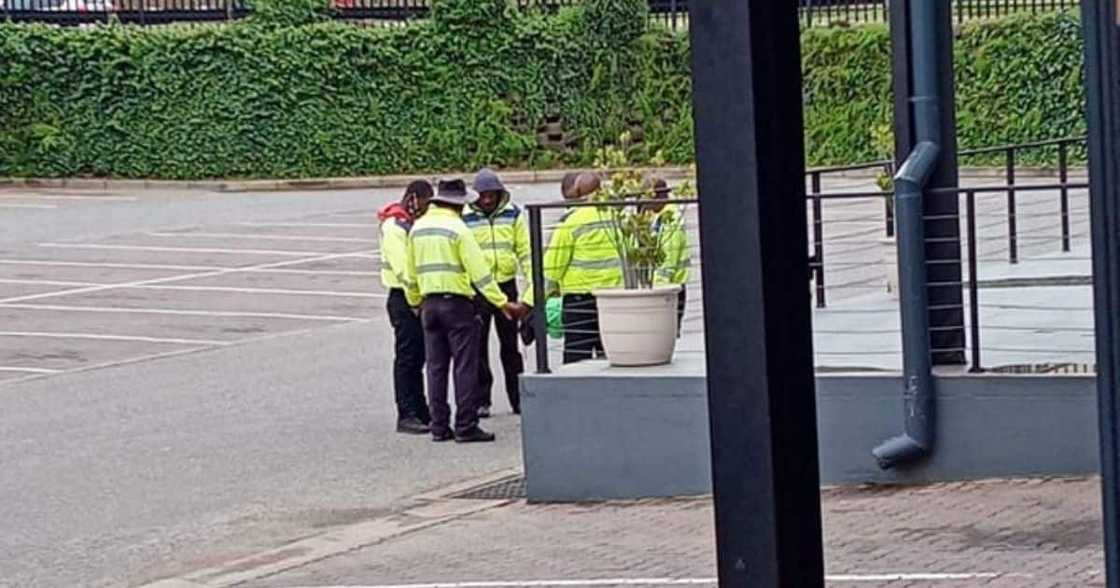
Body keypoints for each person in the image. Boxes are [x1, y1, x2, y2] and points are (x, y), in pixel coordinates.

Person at [405, 179, 527, 443]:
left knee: (436, 368)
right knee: (465, 366)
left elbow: (409, 274)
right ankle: (465, 425)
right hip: (457, 305)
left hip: (429, 305)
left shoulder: (418, 229)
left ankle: (439, 426)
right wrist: (502, 302)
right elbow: (480, 274)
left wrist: (415, 302)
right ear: (458, 204)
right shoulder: (458, 230)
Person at [464, 169, 533, 417]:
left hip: (505, 284)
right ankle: (482, 400)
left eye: (491, 194)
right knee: (478, 346)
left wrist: (530, 290)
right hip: (478, 289)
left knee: (510, 347)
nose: (487, 200)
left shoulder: (513, 214)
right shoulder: (466, 216)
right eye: (482, 195)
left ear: (499, 193)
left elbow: (524, 251)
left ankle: (518, 399)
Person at [543, 172, 623, 364]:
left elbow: (552, 268)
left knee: (576, 360)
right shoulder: (614, 216)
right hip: (612, 299)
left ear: (577, 192)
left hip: (579, 301)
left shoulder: (571, 222)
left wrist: (543, 298)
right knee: (611, 357)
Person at [378, 180, 434, 435]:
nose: (425, 209)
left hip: (416, 296)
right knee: (408, 357)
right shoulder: (394, 226)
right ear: (413, 198)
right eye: (424, 203)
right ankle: (407, 413)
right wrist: (416, 299)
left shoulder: (411, 224)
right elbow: (403, 269)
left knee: (420, 356)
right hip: (404, 299)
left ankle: (421, 409)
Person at [648, 177, 691, 331]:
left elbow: (669, 254)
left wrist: (660, 284)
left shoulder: (669, 219)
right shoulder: (661, 216)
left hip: (670, 286)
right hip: (671, 285)